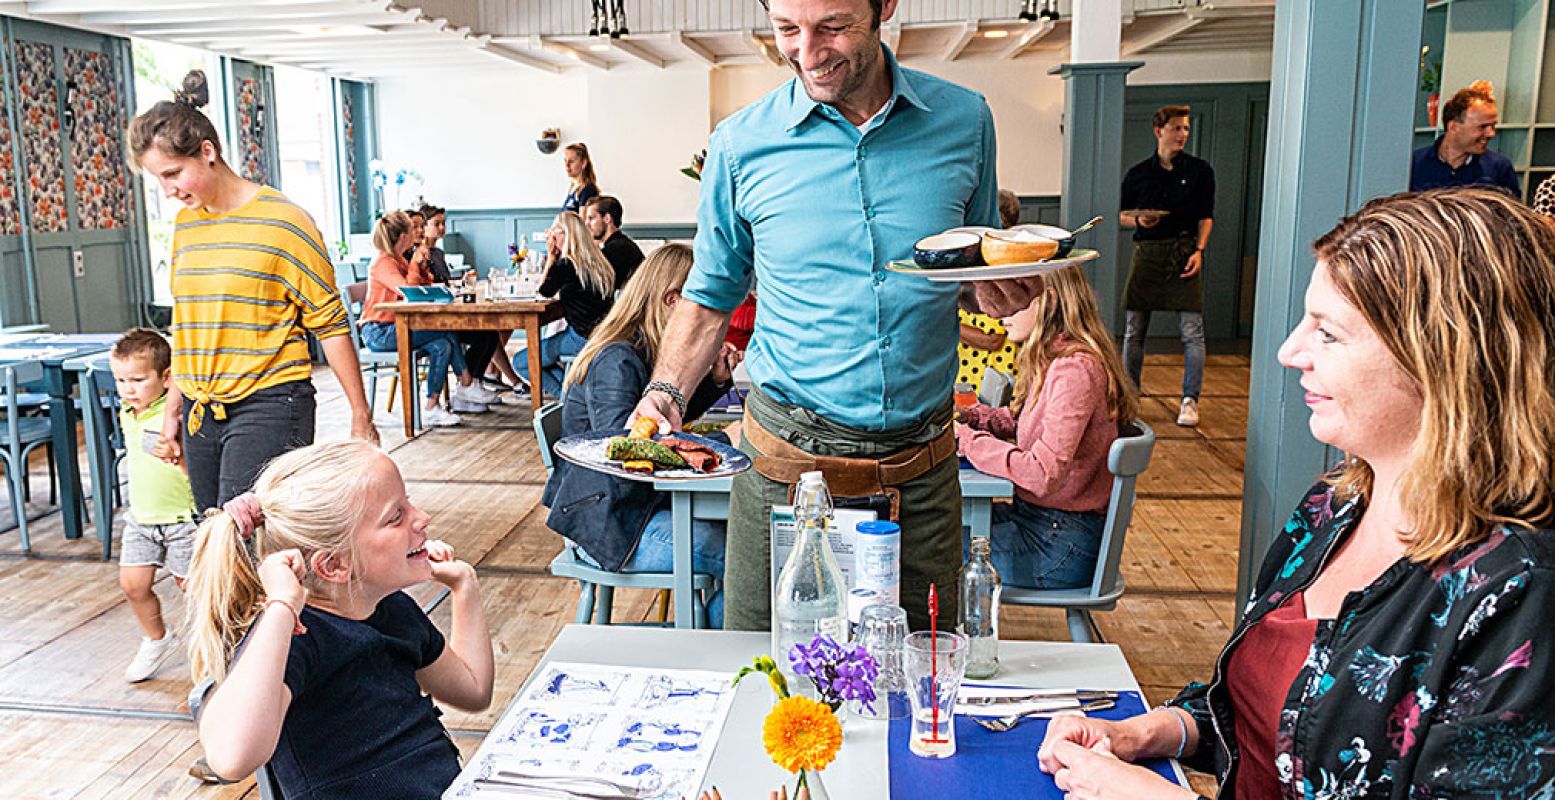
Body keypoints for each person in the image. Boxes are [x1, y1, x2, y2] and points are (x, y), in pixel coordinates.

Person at [1039, 189, 1555, 799]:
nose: (1289, 352)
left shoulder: (1520, 590)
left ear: (1447, 359)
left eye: (1328, 334)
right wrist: (1154, 731)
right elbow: (1272, 715)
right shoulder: (1332, 507)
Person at [631, 0, 1002, 632]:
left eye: (832, 27)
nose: (807, 52)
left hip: (921, 478)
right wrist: (665, 392)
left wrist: (1003, 290)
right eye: (786, 31)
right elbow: (712, 289)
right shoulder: (741, 144)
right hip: (785, 471)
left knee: (923, 679)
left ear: (884, 8)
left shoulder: (964, 122)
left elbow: (973, 264)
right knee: (764, 682)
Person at [129, 69, 378, 512]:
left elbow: (331, 323)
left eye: (173, 174)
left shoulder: (284, 222)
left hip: (271, 402)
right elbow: (188, 327)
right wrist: (173, 409)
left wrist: (361, 414)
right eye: (158, 180)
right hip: (202, 410)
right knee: (212, 538)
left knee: (242, 539)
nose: (167, 191)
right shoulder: (187, 224)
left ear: (207, 152)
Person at [184, 441, 492, 797]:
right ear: (334, 565)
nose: (422, 518)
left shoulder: (393, 611)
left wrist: (464, 587)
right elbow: (230, 757)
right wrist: (282, 605)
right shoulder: (295, 639)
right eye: (396, 516)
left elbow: (473, 692)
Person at [543, 244, 741, 627]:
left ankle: (713, 637)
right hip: (608, 527)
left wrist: (714, 382)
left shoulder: (640, 349)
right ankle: (714, 653)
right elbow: (628, 456)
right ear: (672, 302)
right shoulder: (617, 360)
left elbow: (660, 425)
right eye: (700, 306)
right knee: (740, 556)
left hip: (624, 512)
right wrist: (726, 440)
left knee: (736, 539)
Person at [955, 266, 1135, 589]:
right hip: (1044, 526)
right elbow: (1029, 424)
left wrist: (969, 442)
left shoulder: (1075, 371)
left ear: (1047, 301)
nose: (998, 309)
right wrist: (976, 419)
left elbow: (1042, 473)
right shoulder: (1056, 359)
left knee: (935, 550)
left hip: (1061, 545)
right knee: (936, 528)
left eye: (1013, 298)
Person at [109, 329, 199, 683]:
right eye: (120, 380)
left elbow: (195, 470)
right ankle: (157, 638)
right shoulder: (128, 412)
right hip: (142, 519)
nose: (128, 389)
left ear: (166, 378)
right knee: (133, 585)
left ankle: (223, 646)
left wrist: (177, 457)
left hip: (180, 520)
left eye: (137, 379)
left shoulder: (174, 415)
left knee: (192, 589)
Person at [1119, 105, 1214, 429]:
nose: (1182, 134)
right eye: (1176, 128)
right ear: (1159, 131)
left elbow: (1206, 216)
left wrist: (1200, 251)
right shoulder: (1137, 173)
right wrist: (1138, 219)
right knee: (1134, 331)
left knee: (1192, 332)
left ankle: (1190, 400)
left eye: (1185, 129)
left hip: (1184, 252)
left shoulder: (1201, 171)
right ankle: (1129, 398)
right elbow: (1121, 214)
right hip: (1147, 253)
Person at [359, 211, 495, 426]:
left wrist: (422, 267)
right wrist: (415, 264)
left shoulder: (398, 260)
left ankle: (432, 406)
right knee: (444, 330)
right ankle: (466, 383)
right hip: (379, 331)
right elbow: (410, 293)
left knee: (441, 344)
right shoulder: (383, 263)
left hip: (397, 326)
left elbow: (423, 286)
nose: (418, 232)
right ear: (403, 236)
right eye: (413, 229)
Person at [513, 211, 616, 399]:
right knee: (546, 353)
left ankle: (567, 399)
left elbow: (543, 293)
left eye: (554, 230)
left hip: (581, 337)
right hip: (604, 334)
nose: (550, 235)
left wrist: (552, 257)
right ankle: (570, 395)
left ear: (565, 234)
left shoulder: (566, 265)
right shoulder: (599, 262)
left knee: (521, 361)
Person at [957, 188, 1023, 394]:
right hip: (969, 372)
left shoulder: (1001, 267)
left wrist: (945, 327)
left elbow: (993, 339)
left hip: (992, 375)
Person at [1409, 81, 1521, 196]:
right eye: (1482, 127)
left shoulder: (1499, 168)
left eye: (1493, 126)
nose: (1491, 133)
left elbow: (1511, 212)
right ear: (1453, 127)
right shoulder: (1413, 164)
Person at [583, 194, 645, 286]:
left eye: (591, 218)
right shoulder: (620, 244)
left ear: (607, 218)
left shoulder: (618, 248)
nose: (586, 224)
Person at [561, 143, 599, 213]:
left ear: (583, 163)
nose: (567, 165)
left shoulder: (587, 189)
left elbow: (582, 222)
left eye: (571, 161)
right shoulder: (573, 187)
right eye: (565, 161)